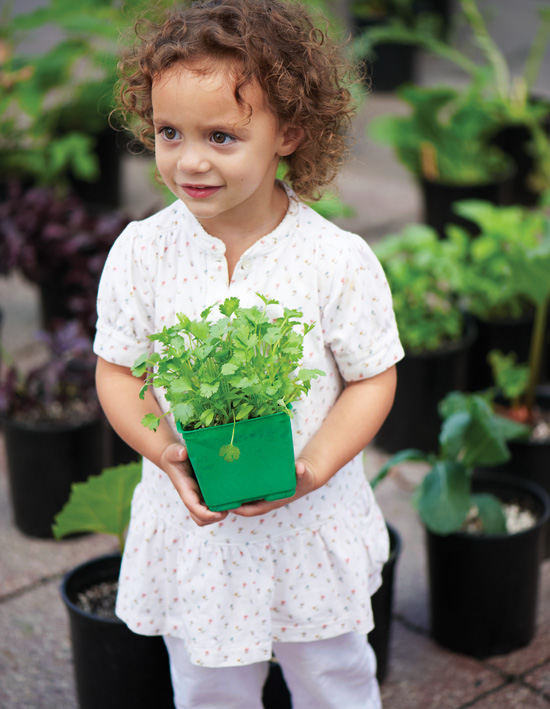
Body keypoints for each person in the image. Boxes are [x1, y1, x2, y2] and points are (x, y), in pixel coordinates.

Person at [94, 1, 404, 706]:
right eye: (170, 132)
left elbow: (372, 378)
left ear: (287, 133)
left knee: (333, 676)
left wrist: (316, 465)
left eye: (223, 136)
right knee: (207, 683)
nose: (190, 159)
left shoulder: (334, 259)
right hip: (199, 529)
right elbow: (119, 369)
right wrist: (163, 447)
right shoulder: (143, 252)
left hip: (308, 525)